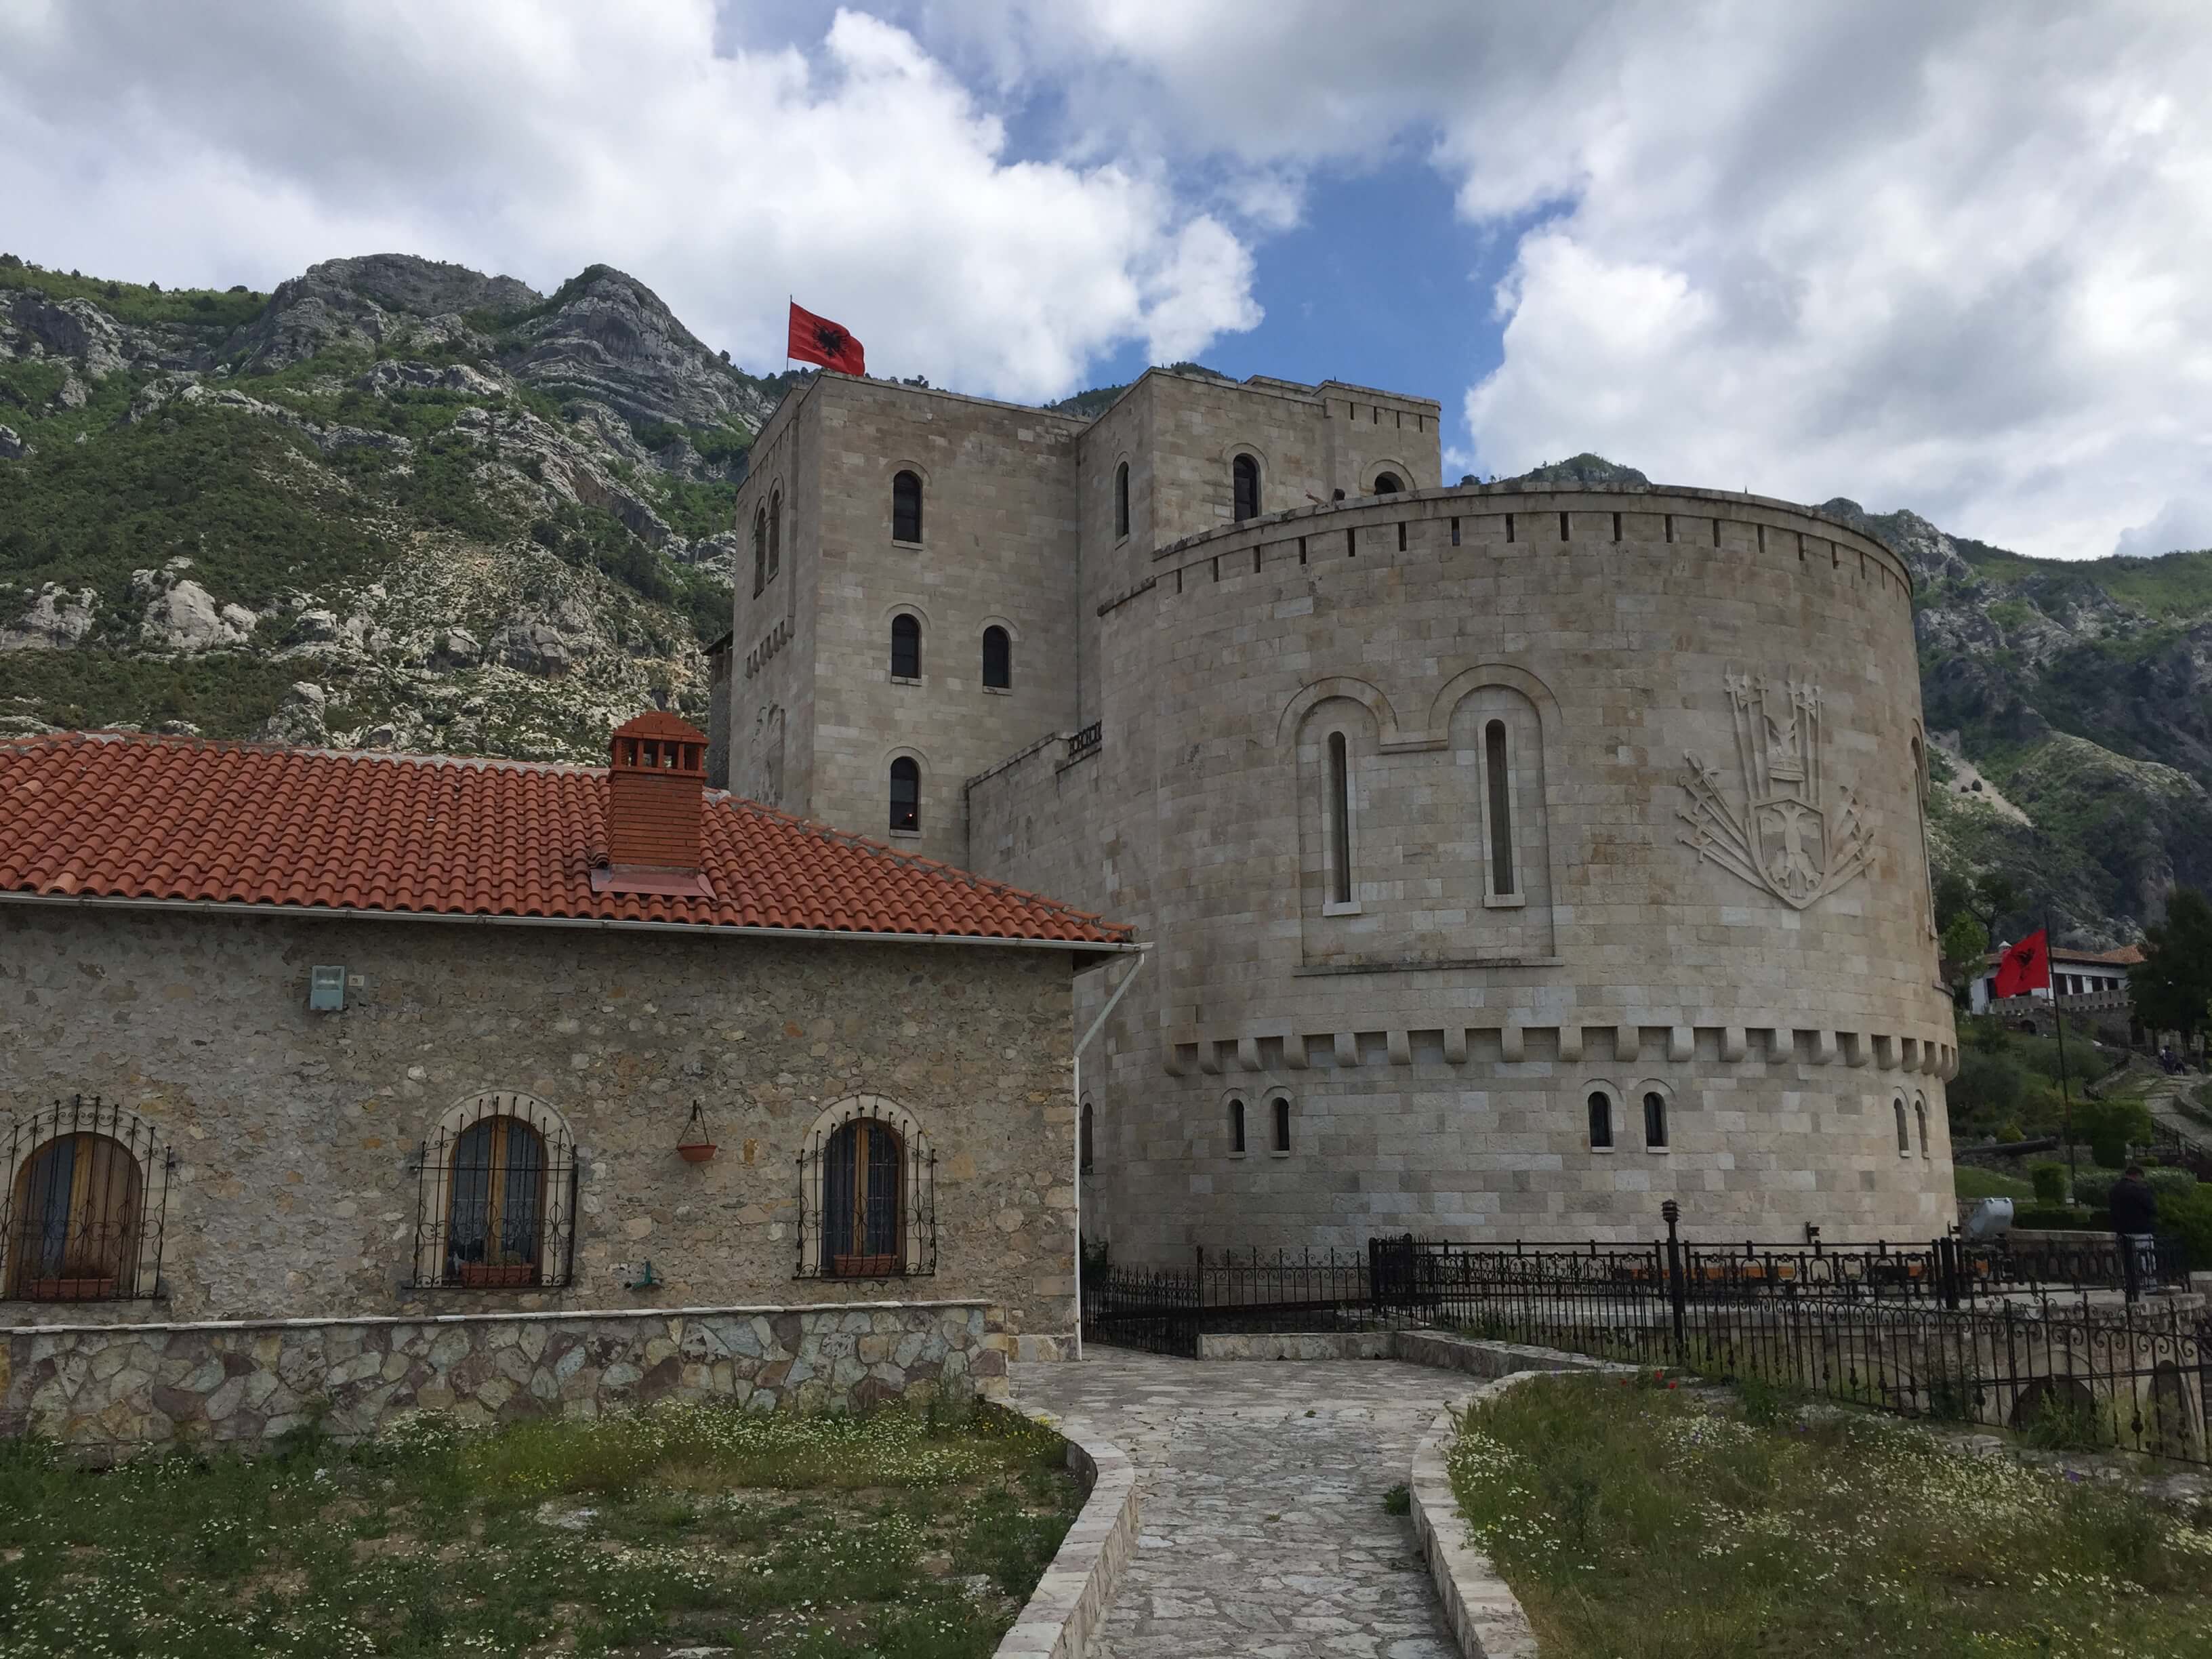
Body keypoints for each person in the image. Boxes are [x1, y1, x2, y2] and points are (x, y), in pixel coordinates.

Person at [2110, 1164, 2159, 1303]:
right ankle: (2148, 1287)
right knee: (2145, 1259)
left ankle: (2131, 1286)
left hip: (2122, 1231)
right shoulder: (2138, 1190)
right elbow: (2152, 1207)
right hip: (2141, 1230)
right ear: (2136, 1176)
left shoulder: (2115, 1190)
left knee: (2128, 1261)